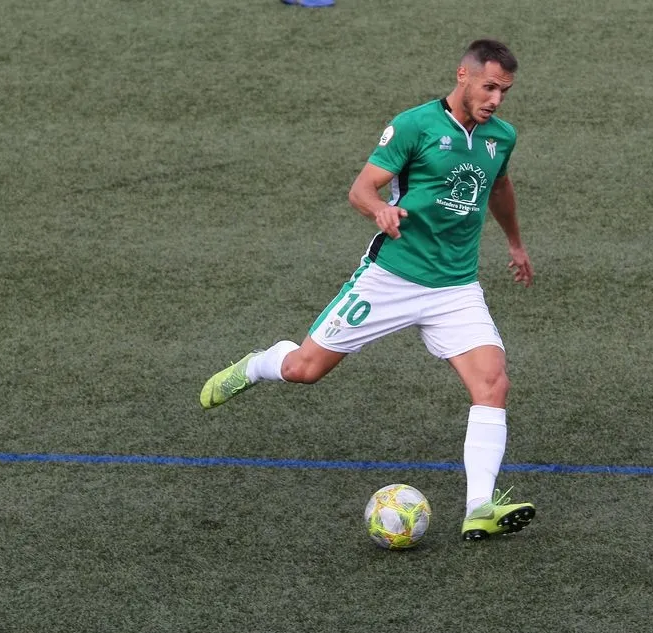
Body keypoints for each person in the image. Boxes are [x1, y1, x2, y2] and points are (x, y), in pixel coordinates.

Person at [200, 39, 536, 541]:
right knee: (304, 369)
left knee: (493, 383)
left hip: (455, 288)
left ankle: (479, 507)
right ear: (462, 75)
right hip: (391, 278)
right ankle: (256, 365)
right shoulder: (414, 125)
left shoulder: (501, 137)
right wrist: (379, 209)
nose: (496, 100)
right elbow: (361, 188)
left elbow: (499, 188)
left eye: (504, 91)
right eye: (489, 87)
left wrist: (515, 243)